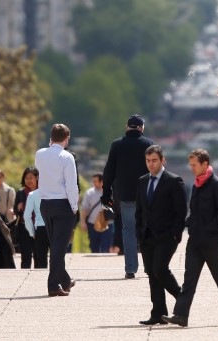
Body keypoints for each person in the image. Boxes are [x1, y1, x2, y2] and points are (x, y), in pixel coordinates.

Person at [163, 149, 218, 328]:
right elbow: (195, 211)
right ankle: (181, 315)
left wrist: (208, 228)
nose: (192, 168)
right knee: (189, 279)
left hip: (212, 242)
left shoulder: (217, 184)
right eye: (190, 165)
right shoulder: (195, 184)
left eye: (194, 165)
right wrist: (190, 222)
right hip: (195, 241)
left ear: (205, 164)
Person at [135, 145, 187, 326]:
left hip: (167, 236)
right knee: (151, 273)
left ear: (163, 160)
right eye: (148, 161)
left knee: (160, 269)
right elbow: (140, 210)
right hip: (146, 236)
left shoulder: (174, 181)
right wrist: (139, 233)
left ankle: (182, 299)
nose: (151, 164)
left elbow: (181, 212)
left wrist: (175, 234)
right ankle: (158, 313)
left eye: (154, 161)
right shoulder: (142, 181)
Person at [101, 114, 153, 279]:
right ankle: (150, 267)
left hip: (125, 195)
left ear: (127, 127)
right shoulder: (149, 144)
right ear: (141, 128)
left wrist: (106, 193)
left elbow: (109, 170)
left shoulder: (117, 145)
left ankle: (130, 268)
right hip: (146, 195)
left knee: (128, 230)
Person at [35, 124, 79, 297]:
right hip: (62, 204)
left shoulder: (39, 154)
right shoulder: (66, 157)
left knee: (55, 244)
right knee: (59, 247)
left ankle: (65, 280)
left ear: (51, 138)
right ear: (66, 138)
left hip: (45, 204)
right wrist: (74, 206)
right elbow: (71, 185)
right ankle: (53, 285)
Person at [81, 173, 113, 253]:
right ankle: (95, 264)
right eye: (93, 181)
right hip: (92, 224)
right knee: (93, 247)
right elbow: (84, 209)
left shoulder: (110, 192)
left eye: (96, 181)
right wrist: (83, 222)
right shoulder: (89, 193)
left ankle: (104, 264)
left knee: (106, 247)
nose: (94, 183)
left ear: (102, 181)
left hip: (107, 224)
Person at [14, 167, 39, 269]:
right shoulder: (21, 193)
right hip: (24, 228)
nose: (28, 181)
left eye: (30, 178)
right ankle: (24, 276)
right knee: (25, 256)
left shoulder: (42, 191)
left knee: (39, 255)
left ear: (37, 178)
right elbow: (15, 211)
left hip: (39, 227)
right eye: (26, 178)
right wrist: (18, 208)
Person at [23, 185, 49, 268]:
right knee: (56, 258)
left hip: (40, 228)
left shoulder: (32, 194)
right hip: (55, 227)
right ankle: (56, 278)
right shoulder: (58, 192)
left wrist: (32, 232)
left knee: (41, 259)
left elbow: (27, 216)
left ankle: (41, 278)